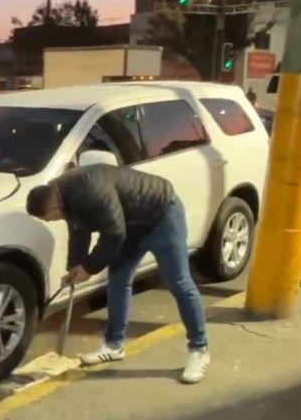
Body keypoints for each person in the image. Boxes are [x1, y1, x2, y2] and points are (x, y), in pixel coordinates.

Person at [26, 164, 210, 384]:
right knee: (118, 280)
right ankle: (114, 345)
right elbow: (78, 230)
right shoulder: (64, 196)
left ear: (54, 208)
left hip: (162, 217)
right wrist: (75, 266)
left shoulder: (89, 191)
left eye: (48, 218)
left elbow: (113, 232)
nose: (49, 222)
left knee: (178, 282)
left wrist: (89, 268)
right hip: (130, 225)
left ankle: (199, 349)